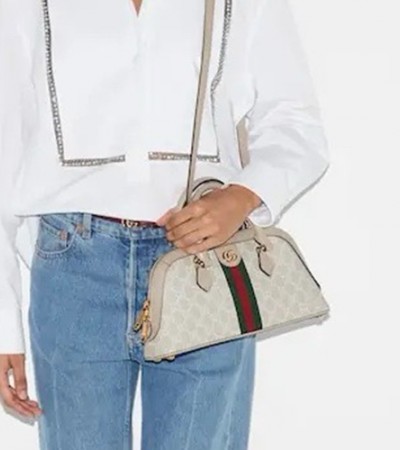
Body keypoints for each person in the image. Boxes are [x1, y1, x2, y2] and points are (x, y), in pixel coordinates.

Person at [0, 0, 329, 448]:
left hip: (204, 267)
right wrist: (4, 322)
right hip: (75, 270)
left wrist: (240, 198)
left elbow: (295, 121)